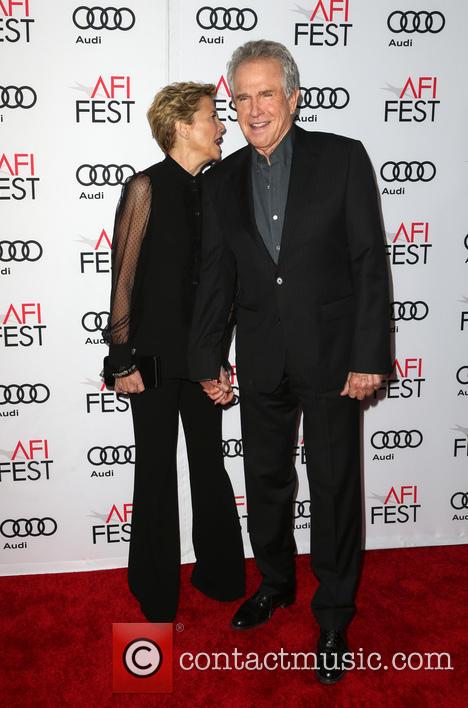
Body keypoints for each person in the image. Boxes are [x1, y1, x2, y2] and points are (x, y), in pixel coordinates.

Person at [188, 41, 391, 683]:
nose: (253, 109)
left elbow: (368, 261)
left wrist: (368, 355)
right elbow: (217, 277)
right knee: (267, 481)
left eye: (265, 93)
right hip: (261, 356)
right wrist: (207, 359)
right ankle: (275, 582)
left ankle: (333, 615)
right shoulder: (220, 179)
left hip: (334, 358)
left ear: (293, 96)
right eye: (240, 98)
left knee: (334, 488)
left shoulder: (343, 158)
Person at [103, 82, 245, 623]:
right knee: (156, 470)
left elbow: (222, 292)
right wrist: (120, 359)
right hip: (154, 363)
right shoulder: (145, 187)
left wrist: (218, 362)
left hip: (202, 359)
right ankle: (156, 588)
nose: (222, 126)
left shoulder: (219, 192)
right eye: (213, 116)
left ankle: (220, 575)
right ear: (183, 125)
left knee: (210, 466)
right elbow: (124, 281)